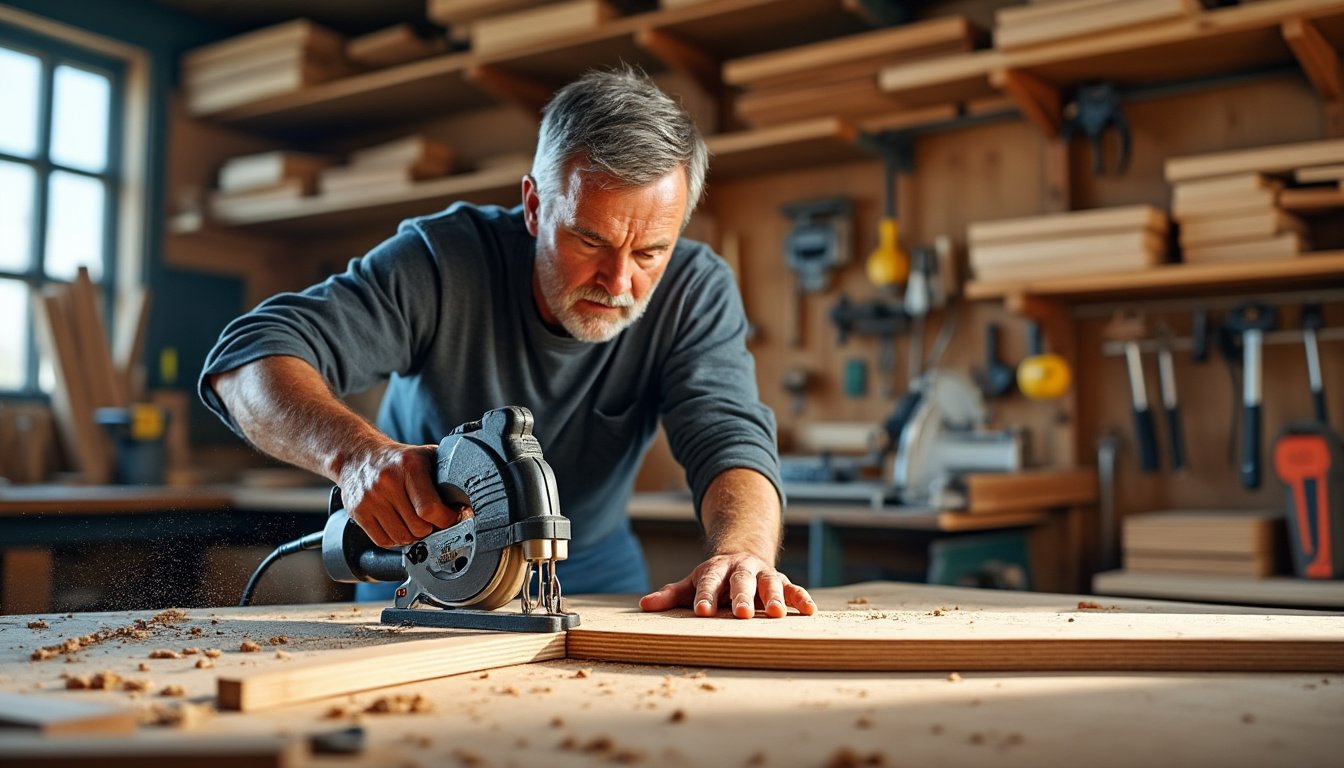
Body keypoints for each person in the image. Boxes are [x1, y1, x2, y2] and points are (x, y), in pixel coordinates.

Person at [200, 67, 815, 620]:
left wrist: (744, 551)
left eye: (650, 251)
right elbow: (246, 358)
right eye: (590, 240)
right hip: (435, 575)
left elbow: (728, 435)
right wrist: (356, 457)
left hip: (593, 580)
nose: (619, 282)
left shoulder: (695, 288)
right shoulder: (443, 263)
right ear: (533, 206)